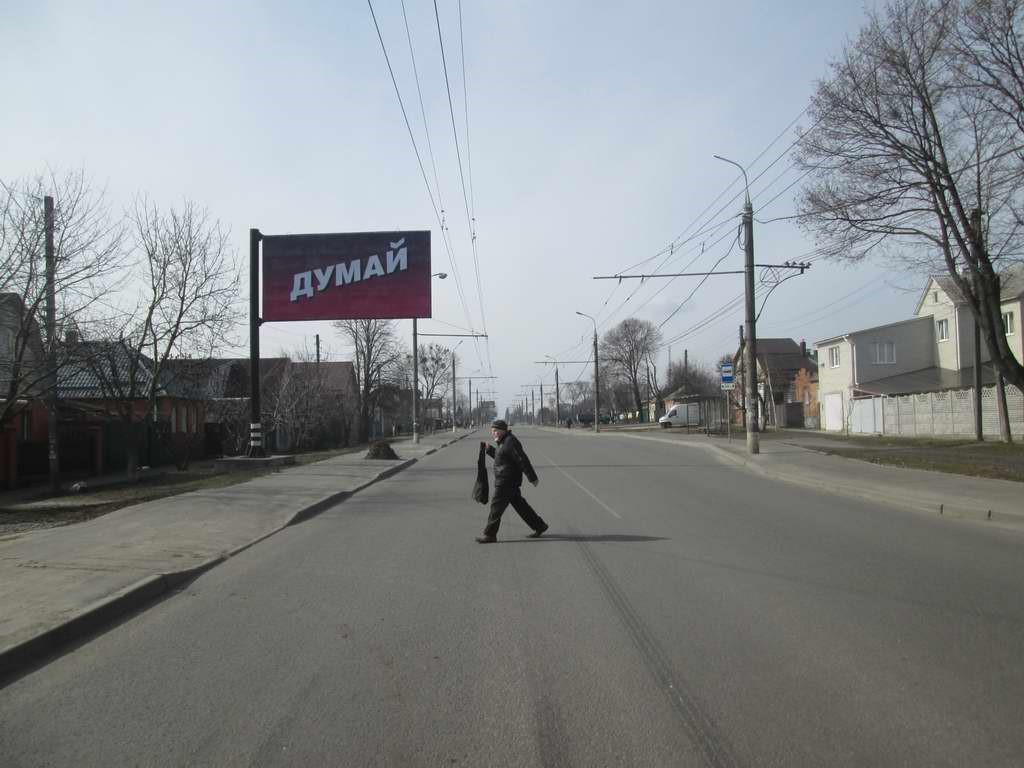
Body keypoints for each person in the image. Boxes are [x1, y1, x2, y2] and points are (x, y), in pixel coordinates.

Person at [476, 419, 548, 543]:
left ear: (503, 430)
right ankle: (539, 526)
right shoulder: (503, 441)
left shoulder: (510, 442)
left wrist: (532, 477)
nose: (493, 433)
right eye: (492, 431)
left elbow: (522, 460)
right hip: (508, 481)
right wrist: (489, 449)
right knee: (521, 506)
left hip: (506, 481)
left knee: (496, 507)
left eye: (495, 431)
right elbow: (502, 457)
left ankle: (490, 535)